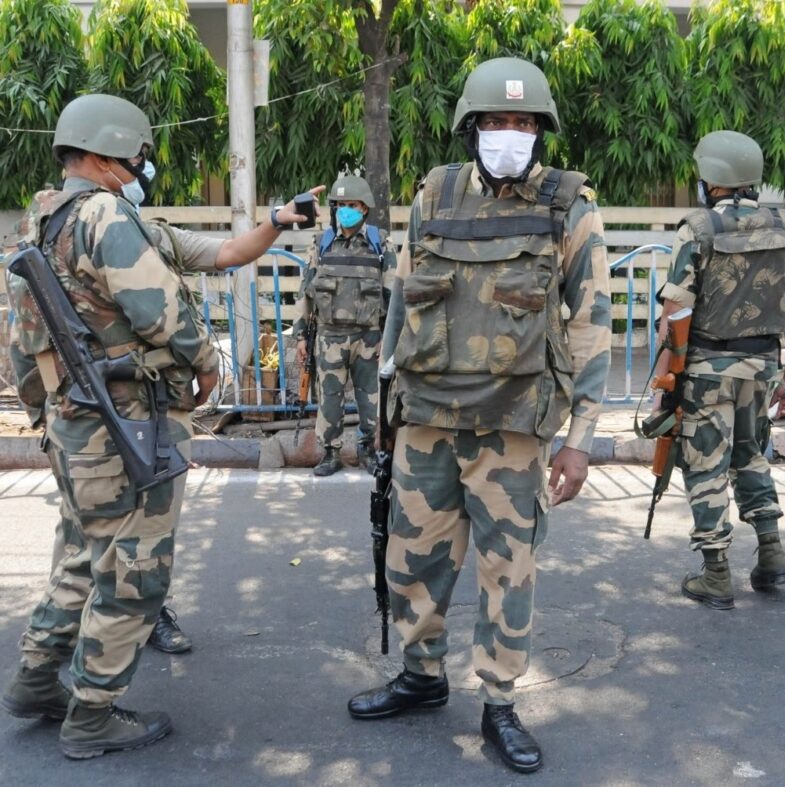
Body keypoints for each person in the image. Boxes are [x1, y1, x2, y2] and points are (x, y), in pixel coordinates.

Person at [1, 93, 321, 759]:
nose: (142, 167)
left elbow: (23, 347)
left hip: (74, 425)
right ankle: (91, 713)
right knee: (134, 569)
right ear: (111, 151)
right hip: (127, 426)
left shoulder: (43, 228)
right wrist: (206, 363)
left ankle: (34, 681)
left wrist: (276, 220)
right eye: (139, 156)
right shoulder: (107, 218)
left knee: (85, 557)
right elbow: (162, 312)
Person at [346, 57, 611, 774]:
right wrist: (385, 410)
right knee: (412, 560)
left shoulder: (569, 204)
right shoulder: (434, 193)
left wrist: (581, 439)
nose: (509, 134)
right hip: (426, 417)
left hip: (513, 427)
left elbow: (590, 323)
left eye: (523, 123)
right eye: (496, 121)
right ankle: (422, 676)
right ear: (471, 128)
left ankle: (499, 702)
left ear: (541, 132)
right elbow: (404, 301)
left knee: (506, 571)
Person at [653, 130, 785, 610]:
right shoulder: (784, 229)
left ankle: (716, 573)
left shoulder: (698, 229)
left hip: (705, 368)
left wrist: (666, 382)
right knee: (750, 454)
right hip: (761, 367)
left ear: (710, 179)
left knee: (705, 463)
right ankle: (771, 552)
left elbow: (676, 316)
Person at [292, 171, 395, 476]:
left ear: (365, 208)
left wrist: (390, 339)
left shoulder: (380, 243)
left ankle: (369, 449)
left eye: (352, 204)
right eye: (340, 204)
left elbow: (392, 292)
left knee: (371, 397)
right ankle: (330, 453)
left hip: (370, 337)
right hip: (329, 336)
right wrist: (300, 337)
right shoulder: (322, 244)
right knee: (329, 399)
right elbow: (306, 292)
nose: (345, 210)